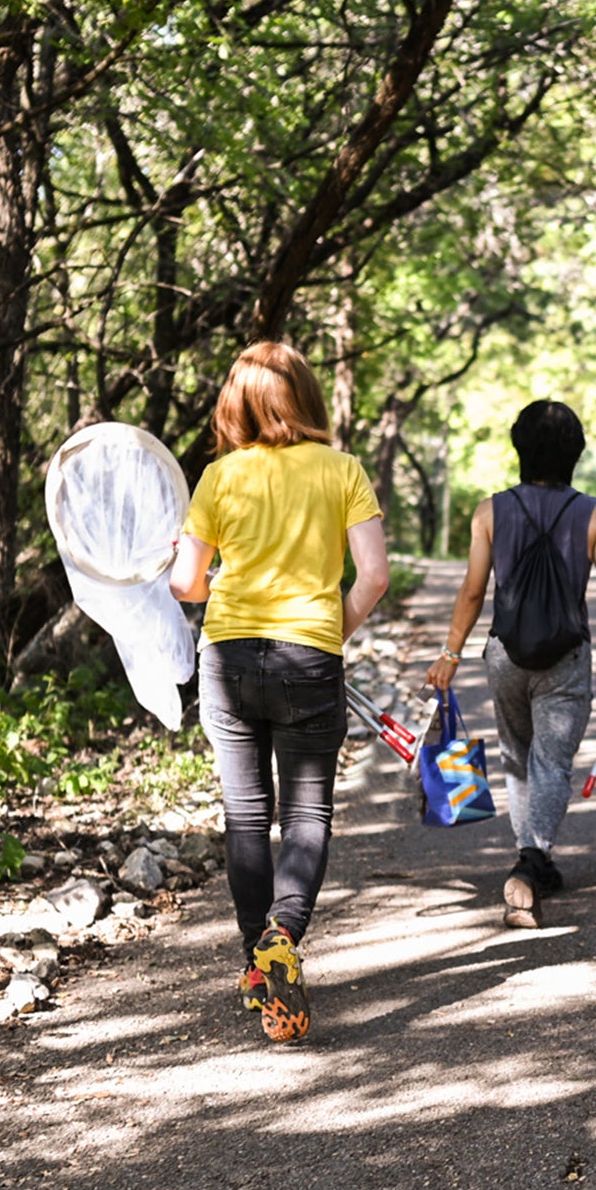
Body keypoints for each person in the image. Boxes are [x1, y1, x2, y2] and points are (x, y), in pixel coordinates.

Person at [170, 341, 389, 1043]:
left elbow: (185, 584)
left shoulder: (219, 477)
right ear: (308, 397)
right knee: (306, 813)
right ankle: (283, 934)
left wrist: (205, 583)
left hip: (229, 655)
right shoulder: (343, 470)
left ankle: (256, 965)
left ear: (236, 403)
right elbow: (374, 575)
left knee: (244, 816)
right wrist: (334, 630)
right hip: (307, 657)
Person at [428, 400, 596, 927]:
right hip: (565, 658)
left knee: (517, 755)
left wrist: (451, 653)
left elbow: (473, 591)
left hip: (505, 653)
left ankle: (536, 857)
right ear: (575, 452)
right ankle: (530, 863)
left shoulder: (490, 511)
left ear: (518, 448)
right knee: (550, 763)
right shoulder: (594, 513)